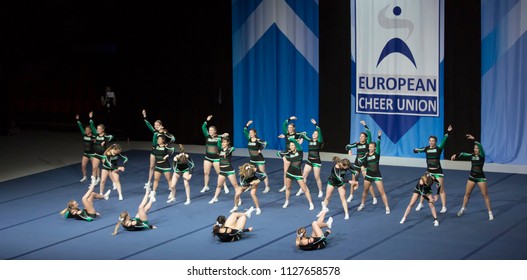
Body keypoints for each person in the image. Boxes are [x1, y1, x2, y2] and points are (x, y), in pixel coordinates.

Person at [451, 134, 494, 220]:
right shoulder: (472, 155)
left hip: (480, 178)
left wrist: (474, 139)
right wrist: (456, 155)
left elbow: (480, 146)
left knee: (485, 195)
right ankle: (463, 208)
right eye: (474, 148)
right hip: (472, 177)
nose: (475, 149)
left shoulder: (482, 156)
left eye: (477, 148)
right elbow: (463, 154)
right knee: (467, 194)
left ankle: (490, 212)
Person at [413, 124, 453, 213]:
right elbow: (418, 150)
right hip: (428, 172)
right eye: (430, 141)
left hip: (438, 172)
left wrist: (447, 132)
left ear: (435, 142)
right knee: (423, 187)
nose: (431, 142)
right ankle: (421, 204)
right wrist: (415, 150)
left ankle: (444, 207)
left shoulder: (439, 148)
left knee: (441, 189)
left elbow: (444, 140)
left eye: (433, 141)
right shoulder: (426, 148)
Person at [356, 130, 391, 214]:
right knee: (365, 191)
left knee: (381, 191)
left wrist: (379, 137)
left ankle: (387, 207)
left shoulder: (377, 154)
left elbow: (378, 144)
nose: (370, 148)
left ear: (375, 148)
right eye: (369, 147)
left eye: (372, 147)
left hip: (376, 175)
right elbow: (361, 162)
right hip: (368, 175)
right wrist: (362, 166)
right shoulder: (366, 155)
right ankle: (362, 204)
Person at [345, 120, 377, 204]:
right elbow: (347, 146)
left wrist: (365, 125)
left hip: (364, 166)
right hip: (356, 165)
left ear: (366, 138)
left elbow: (369, 133)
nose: (361, 137)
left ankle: (374, 197)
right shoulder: (357, 144)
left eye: (362, 136)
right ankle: (351, 195)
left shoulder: (368, 144)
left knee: (367, 181)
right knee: (353, 180)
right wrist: (349, 150)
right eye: (360, 136)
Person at [142, 109, 175, 189]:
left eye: (157, 125)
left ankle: (170, 184)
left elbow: (173, 138)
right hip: (154, 150)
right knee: (151, 166)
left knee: (162, 165)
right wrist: (144, 116)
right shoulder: (154, 132)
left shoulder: (164, 132)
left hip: (162, 151)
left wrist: (167, 144)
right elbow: (148, 124)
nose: (155, 126)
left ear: (161, 125)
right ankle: (149, 182)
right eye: (155, 125)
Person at [279, 137, 314, 210]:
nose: (291, 147)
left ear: (295, 145)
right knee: (288, 187)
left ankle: (311, 203)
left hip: (298, 174)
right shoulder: (289, 153)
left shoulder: (300, 151)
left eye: (292, 145)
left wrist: (291, 139)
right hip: (290, 172)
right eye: (290, 145)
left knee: (304, 189)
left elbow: (295, 143)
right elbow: (279, 154)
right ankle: (286, 201)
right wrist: (281, 155)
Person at [200, 115, 229, 194]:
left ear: (215, 131)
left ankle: (225, 186)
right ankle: (206, 186)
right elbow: (203, 127)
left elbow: (221, 143)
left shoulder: (218, 138)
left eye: (212, 130)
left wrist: (223, 135)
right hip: (207, 157)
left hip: (216, 158)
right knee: (206, 173)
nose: (210, 131)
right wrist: (206, 120)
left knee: (220, 173)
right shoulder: (207, 136)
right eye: (209, 130)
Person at [209, 137, 241, 205]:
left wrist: (227, 152)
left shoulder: (230, 149)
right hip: (222, 171)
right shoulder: (220, 149)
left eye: (224, 142)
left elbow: (233, 148)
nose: (223, 143)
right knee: (219, 185)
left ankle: (239, 199)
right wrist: (221, 137)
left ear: (228, 143)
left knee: (235, 185)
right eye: (222, 142)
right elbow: (218, 142)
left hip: (229, 170)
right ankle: (215, 198)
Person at [278, 116, 306, 193]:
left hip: (296, 155)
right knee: (285, 171)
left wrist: (301, 139)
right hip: (287, 154)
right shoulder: (286, 134)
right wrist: (290, 118)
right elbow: (284, 124)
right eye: (288, 127)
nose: (289, 128)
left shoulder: (297, 134)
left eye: (291, 127)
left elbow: (304, 134)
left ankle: (302, 187)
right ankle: (285, 186)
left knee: (298, 171)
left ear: (294, 128)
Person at [243, 120, 270, 193]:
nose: (250, 134)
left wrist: (260, 149)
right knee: (250, 173)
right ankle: (250, 185)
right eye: (250, 133)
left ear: (255, 133)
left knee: (262, 172)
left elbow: (266, 143)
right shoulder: (249, 139)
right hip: (252, 159)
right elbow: (244, 130)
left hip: (259, 159)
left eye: (252, 133)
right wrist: (247, 124)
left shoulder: (258, 140)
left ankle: (267, 186)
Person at [299, 118, 324, 198]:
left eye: (316, 134)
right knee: (304, 175)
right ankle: (303, 188)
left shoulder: (319, 141)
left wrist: (315, 124)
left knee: (317, 177)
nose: (314, 134)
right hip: (309, 161)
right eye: (313, 133)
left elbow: (319, 130)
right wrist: (302, 137)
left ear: (318, 136)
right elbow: (302, 134)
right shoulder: (310, 140)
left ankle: (320, 191)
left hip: (316, 161)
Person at [148, 135, 175, 202]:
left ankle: (172, 192)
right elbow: (153, 154)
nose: (158, 141)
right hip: (158, 165)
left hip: (166, 166)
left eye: (160, 139)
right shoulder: (155, 147)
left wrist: (167, 155)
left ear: (163, 140)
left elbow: (173, 150)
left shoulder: (166, 147)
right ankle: (153, 192)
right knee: (156, 179)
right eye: (158, 139)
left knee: (169, 179)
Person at [89, 117, 114, 187]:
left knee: (108, 169)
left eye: (99, 129)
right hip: (96, 155)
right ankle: (93, 182)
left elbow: (112, 136)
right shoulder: (96, 135)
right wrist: (91, 119)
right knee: (94, 168)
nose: (98, 130)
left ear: (103, 130)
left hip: (103, 155)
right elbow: (92, 127)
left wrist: (105, 141)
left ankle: (114, 183)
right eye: (97, 129)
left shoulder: (105, 136)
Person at [76, 111, 96, 183]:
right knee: (83, 166)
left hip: (92, 154)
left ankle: (96, 178)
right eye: (85, 130)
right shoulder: (84, 135)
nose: (86, 131)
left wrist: (90, 118)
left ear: (90, 130)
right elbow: (80, 127)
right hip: (86, 154)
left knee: (94, 167)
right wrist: (78, 120)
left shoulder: (94, 137)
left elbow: (94, 129)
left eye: (88, 130)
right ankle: (84, 176)